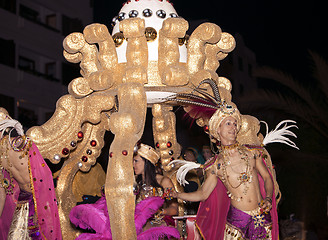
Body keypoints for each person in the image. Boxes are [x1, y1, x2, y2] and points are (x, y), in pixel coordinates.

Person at [172, 104, 280, 240]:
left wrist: (269, 198)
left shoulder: (253, 153)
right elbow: (203, 194)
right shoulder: (215, 165)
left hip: (261, 217)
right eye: (228, 123)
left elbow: (267, 178)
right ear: (218, 129)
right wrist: (177, 194)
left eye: (235, 124)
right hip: (237, 222)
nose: (233, 127)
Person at [70, 143, 180, 240]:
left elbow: (174, 209)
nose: (133, 164)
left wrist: (159, 212)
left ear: (147, 162)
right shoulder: (132, 182)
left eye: (136, 161)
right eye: (132, 161)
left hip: (157, 221)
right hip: (133, 222)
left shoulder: (164, 182)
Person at [0, 108, 61, 240]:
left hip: (21, 201)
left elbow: (2, 191)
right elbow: (43, 175)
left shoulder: (1, 153)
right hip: (36, 198)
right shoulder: (22, 143)